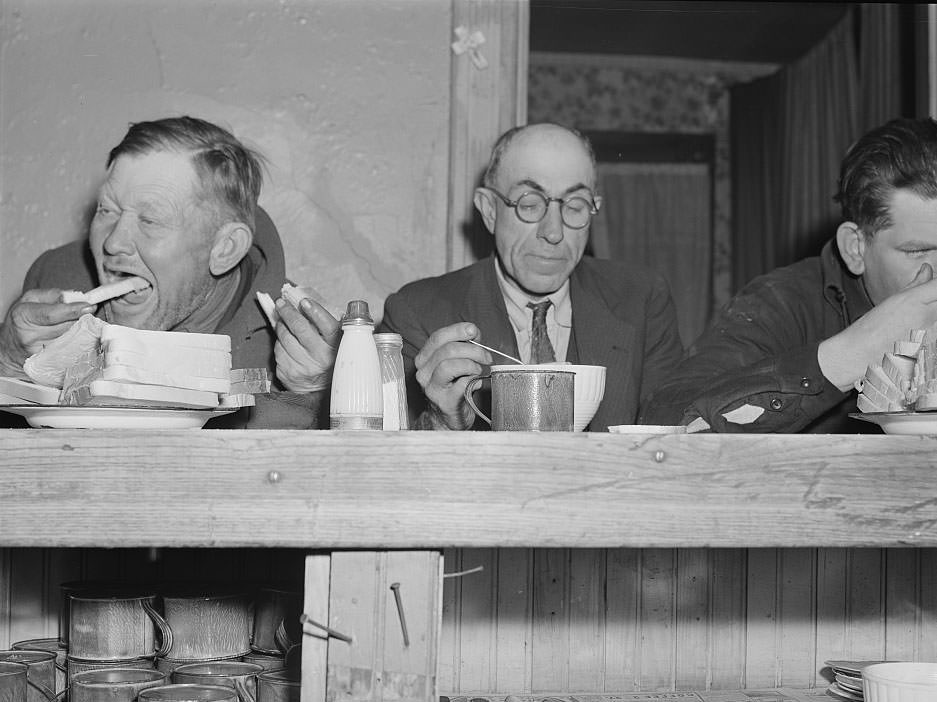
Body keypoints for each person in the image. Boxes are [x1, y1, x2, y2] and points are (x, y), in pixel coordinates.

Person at [0, 116, 339, 427]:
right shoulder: (56, 279)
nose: (113, 243)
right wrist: (9, 360)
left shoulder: (297, 344)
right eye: (107, 209)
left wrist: (313, 398)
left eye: (149, 220)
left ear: (225, 248)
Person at [379, 122, 684, 430]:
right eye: (529, 204)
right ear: (489, 211)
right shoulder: (417, 313)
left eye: (575, 206)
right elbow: (381, 464)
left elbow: (671, 446)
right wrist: (443, 422)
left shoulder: (642, 299)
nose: (553, 232)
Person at [641, 117, 937, 433]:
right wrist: (856, 351)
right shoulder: (781, 302)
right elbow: (667, 422)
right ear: (855, 248)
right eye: (918, 251)